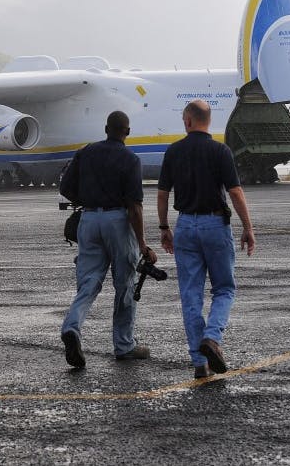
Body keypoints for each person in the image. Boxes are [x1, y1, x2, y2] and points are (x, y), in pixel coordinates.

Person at [157, 100, 255, 379]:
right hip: (215, 223)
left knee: (190, 294)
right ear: (208, 121)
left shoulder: (174, 152)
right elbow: (235, 192)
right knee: (224, 288)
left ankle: (199, 363)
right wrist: (248, 227)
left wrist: (165, 227)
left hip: (185, 224)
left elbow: (163, 193)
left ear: (188, 121)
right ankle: (212, 337)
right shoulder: (220, 151)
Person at [58, 111, 157, 368]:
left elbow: (65, 187)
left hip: (89, 220)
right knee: (124, 285)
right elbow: (135, 207)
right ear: (127, 131)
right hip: (118, 221)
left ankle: (72, 327)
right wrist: (143, 243)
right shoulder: (131, 159)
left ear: (105, 128)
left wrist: (87, 202)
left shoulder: (86, 152)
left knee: (89, 284)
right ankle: (124, 345)